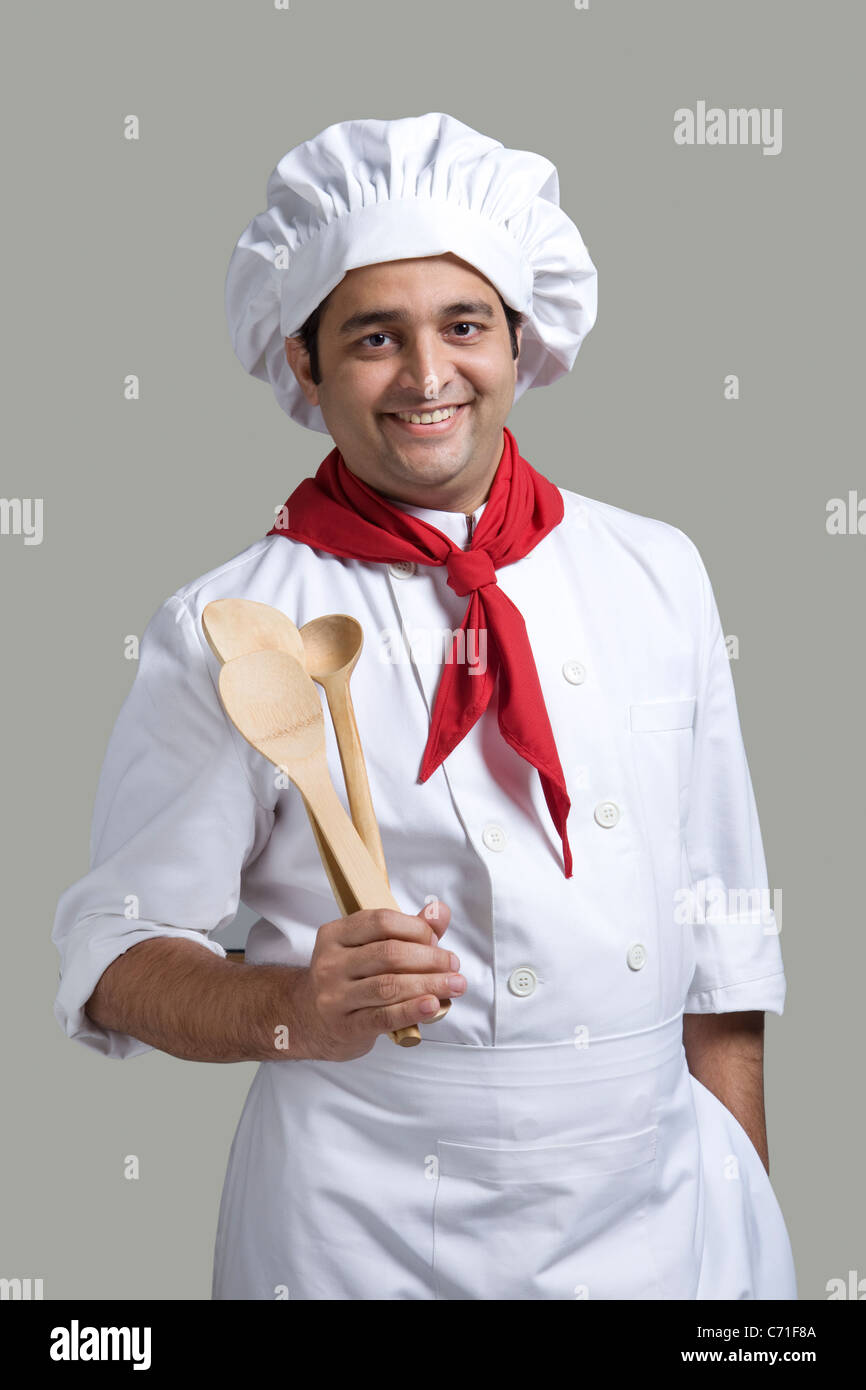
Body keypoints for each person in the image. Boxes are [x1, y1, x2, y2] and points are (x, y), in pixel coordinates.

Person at [52, 112, 797, 1300]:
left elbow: (721, 948)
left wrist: (746, 1213)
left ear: (519, 337)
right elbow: (114, 955)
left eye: (462, 326)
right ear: (302, 362)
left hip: (671, 1222)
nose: (427, 376)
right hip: (366, 1228)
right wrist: (295, 1006)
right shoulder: (236, 623)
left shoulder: (659, 571)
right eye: (372, 338)